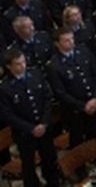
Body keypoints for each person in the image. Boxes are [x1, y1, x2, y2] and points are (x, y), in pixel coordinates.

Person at [0, 50, 59, 187]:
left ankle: (53, 182)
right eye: (18, 64)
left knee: (49, 158)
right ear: (9, 66)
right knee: (29, 166)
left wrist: (44, 123)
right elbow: (7, 115)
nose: (22, 66)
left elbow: (47, 97)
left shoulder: (35, 74)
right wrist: (31, 128)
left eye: (23, 62)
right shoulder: (4, 87)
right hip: (25, 133)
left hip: (43, 126)